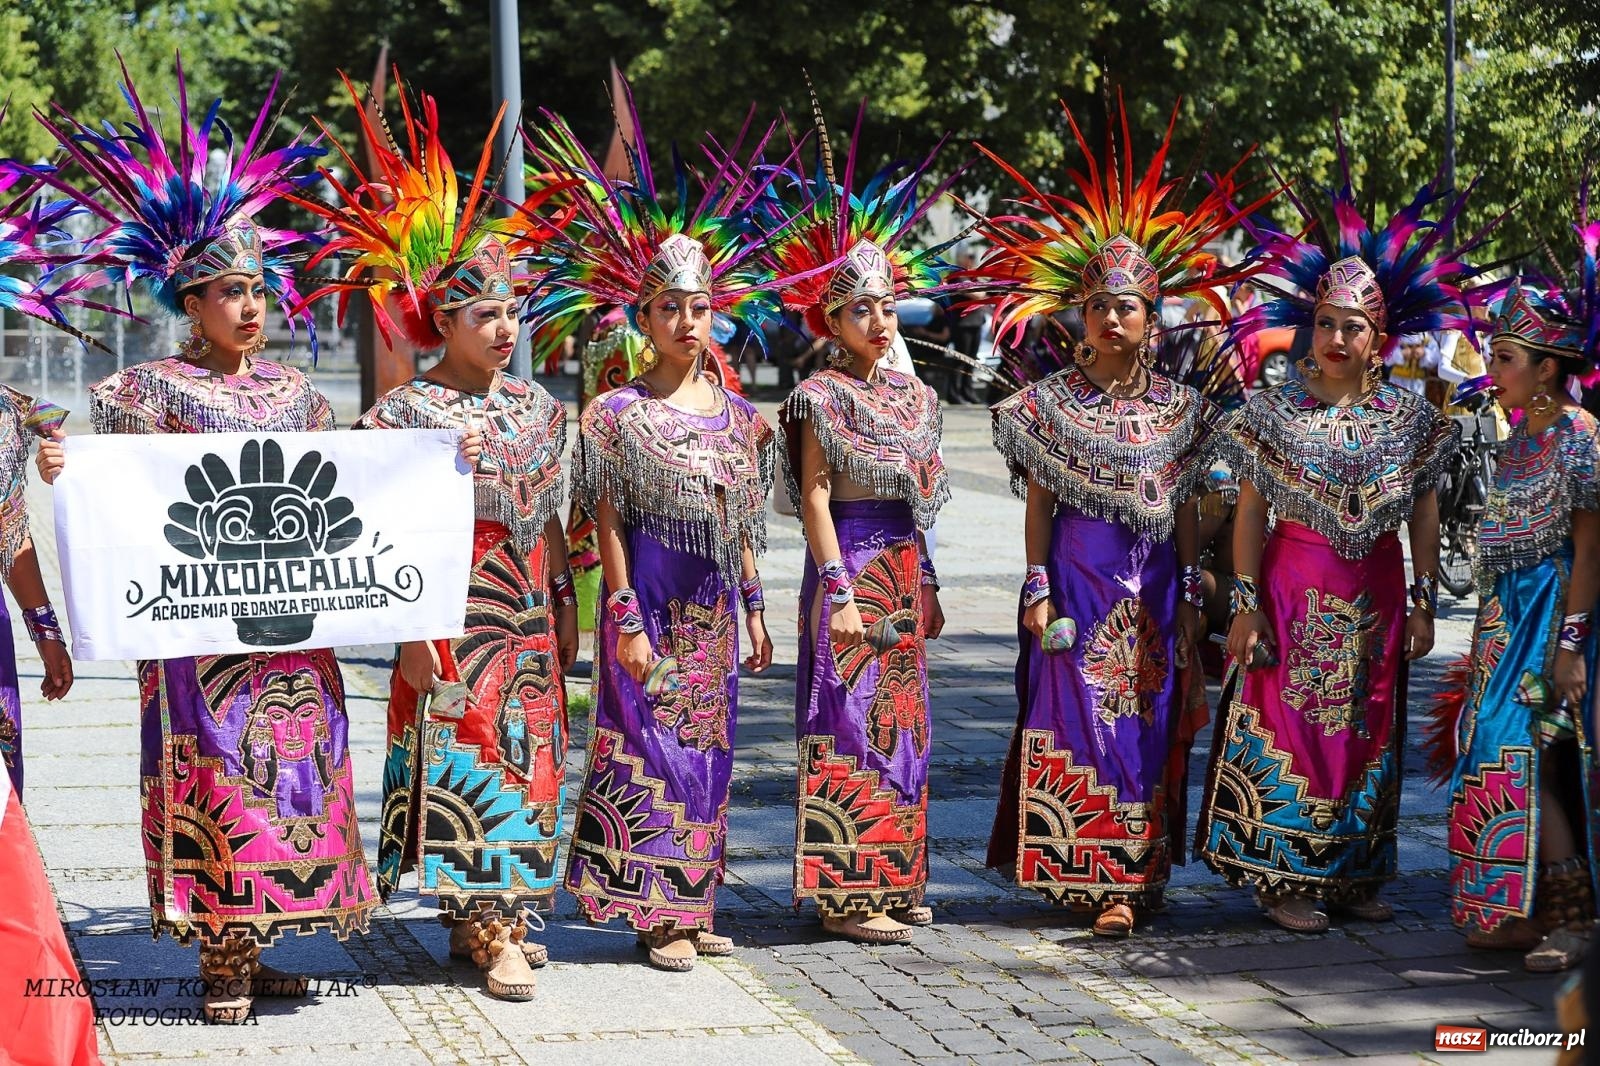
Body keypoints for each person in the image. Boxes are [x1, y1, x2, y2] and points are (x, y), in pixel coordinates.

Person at [25, 63, 376, 1023]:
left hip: (289, 627)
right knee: (218, 768)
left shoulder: (300, 394)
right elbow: (113, 497)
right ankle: (222, 952)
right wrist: (67, 469)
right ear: (189, 300)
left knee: (293, 770)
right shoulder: (139, 394)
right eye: (229, 291)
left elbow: (347, 488)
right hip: (195, 633)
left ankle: (262, 940)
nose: (251, 307)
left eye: (259, 289)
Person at [293, 75, 579, 1000]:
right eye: (483, 313)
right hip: (450, 617)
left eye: (511, 310)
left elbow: (557, 527)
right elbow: (372, 537)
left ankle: (501, 915)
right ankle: (485, 926)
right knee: (468, 757)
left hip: (528, 621)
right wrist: (411, 644)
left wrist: (568, 612)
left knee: (532, 763)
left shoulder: (541, 406)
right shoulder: (402, 414)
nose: (504, 327)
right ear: (439, 320)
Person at [970, 97, 1275, 936]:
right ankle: (1084, 871)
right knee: (1076, 719)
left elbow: (1188, 511)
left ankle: (1133, 878)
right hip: (1075, 581)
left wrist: (1193, 594)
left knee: (1146, 726)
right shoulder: (1047, 407)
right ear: (1081, 315)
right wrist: (1036, 588)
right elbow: (1039, 505)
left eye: (1128, 307)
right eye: (1099, 305)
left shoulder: (1184, 410)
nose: (1112, 319)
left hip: (1155, 595)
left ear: (1151, 319)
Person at [525, 92, 806, 972]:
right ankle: (653, 912)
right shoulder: (615, 414)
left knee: (711, 754)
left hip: (714, 612)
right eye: (670, 309)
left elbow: (743, 526)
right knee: (646, 745)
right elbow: (604, 521)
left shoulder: (741, 419)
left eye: (701, 307)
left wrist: (758, 611)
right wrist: (623, 613)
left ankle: (694, 900)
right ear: (643, 320)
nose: (689, 322)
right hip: (646, 604)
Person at [1198, 153, 1477, 934]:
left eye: (1351, 325)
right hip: (1292, 586)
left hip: (1379, 592)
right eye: (1324, 322)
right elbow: (1250, 513)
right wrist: (1245, 604)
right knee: (1293, 724)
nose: (1334, 337)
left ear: (1378, 334)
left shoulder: (1412, 418)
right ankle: (1281, 877)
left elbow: (1423, 509)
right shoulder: (1271, 411)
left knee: (1368, 724)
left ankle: (1352, 871)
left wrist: (1425, 600)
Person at [769, 108, 958, 944]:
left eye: (885, 308)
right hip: (847, 568)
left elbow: (918, 501)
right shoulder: (818, 396)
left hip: (903, 572)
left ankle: (898, 872)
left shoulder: (917, 398)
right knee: (847, 720)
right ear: (831, 323)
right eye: (858, 312)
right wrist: (837, 589)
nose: (877, 323)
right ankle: (848, 890)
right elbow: (813, 497)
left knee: (905, 723)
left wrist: (935, 583)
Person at [1441, 270, 1600, 972]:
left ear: (1548, 368)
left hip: (1553, 630)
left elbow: (1591, 549)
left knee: (1531, 757)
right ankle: (1518, 908)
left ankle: (1574, 920)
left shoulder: (1582, 438)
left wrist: (1571, 648)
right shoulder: (1512, 445)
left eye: (1504, 358)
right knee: (1492, 752)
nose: (1491, 369)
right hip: (1503, 631)